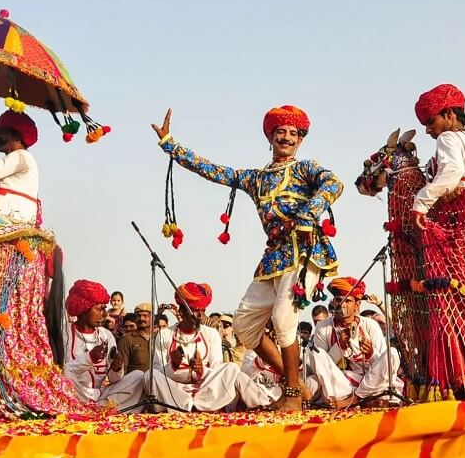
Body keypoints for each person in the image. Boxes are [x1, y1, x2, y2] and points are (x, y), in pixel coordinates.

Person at [152, 106, 343, 411]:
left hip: (305, 252)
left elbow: (333, 183)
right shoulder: (255, 178)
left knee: (283, 320)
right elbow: (214, 171)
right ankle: (298, 386)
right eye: (281, 132)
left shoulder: (307, 168)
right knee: (244, 326)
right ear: (270, 137)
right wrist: (171, 145)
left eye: (294, 134)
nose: (287, 137)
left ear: (301, 141)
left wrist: (309, 213)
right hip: (274, 258)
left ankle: (292, 393)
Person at [147, 283, 264, 411]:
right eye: (194, 310)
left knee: (231, 368)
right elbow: (158, 372)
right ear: (181, 311)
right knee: (149, 376)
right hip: (175, 392)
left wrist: (201, 370)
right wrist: (173, 365)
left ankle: (197, 407)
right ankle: (186, 407)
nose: (198, 315)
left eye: (201, 311)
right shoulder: (164, 334)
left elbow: (216, 370)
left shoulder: (211, 333)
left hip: (204, 391)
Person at [307, 277, 403, 408]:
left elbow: (381, 367)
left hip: (371, 383)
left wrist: (370, 353)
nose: (343, 305)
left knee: (392, 354)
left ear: (357, 305)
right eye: (339, 300)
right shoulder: (323, 327)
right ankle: (364, 400)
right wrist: (339, 346)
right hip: (342, 384)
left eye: (347, 301)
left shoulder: (370, 325)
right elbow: (322, 366)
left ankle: (355, 400)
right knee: (316, 355)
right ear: (334, 302)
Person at [410, 84, 465, 223]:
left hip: (461, 223)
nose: (427, 130)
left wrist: (421, 203)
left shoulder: (446, 138)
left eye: (431, 122)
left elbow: (453, 170)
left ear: (450, 114)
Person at [62, 280, 144, 407]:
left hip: (101, 394)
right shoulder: (64, 334)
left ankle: (98, 408)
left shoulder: (105, 335)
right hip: (74, 393)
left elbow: (113, 379)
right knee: (64, 372)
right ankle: (98, 408)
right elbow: (64, 371)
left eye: (105, 309)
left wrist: (117, 369)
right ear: (84, 311)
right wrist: (89, 358)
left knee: (139, 376)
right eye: (100, 309)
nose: (105, 314)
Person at [117, 305, 155, 375]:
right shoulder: (127, 340)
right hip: (135, 383)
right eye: (138, 316)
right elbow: (122, 370)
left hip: (157, 383)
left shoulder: (159, 338)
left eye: (145, 316)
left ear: (153, 318)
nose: (141, 319)